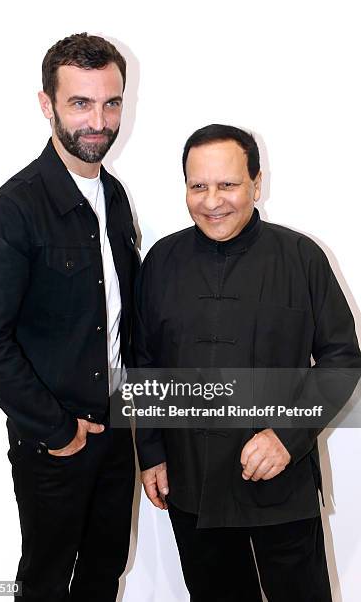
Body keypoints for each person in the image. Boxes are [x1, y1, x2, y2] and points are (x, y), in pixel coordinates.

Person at [134, 124, 361, 601]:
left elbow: (342, 359)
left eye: (228, 184)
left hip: (282, 483)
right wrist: (151, 452)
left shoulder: (301, 257)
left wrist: (287, 435)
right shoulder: (160, 261)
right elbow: (145, 362)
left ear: (257, 184)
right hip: (193, 486)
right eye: (199, 186)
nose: (212, 200)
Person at [0, 33, 139, 602]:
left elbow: (123, 321)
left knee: (103, 571)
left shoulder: (113, 197)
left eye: (111, 102)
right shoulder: (14, 209)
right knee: (45, 582)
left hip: (118, 432)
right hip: (54, 441)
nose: (99, 120)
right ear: (48, 104)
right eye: (80, 103)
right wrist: (58, 430)